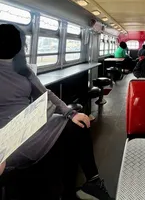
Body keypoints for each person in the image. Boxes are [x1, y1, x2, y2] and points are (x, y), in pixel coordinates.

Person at [0, 24, 112, 200]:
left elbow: (46, 94)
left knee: (78, 125)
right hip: (6, 135)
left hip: (28, 124)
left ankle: (91, 183)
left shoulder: (22, 69)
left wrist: (71, 113)